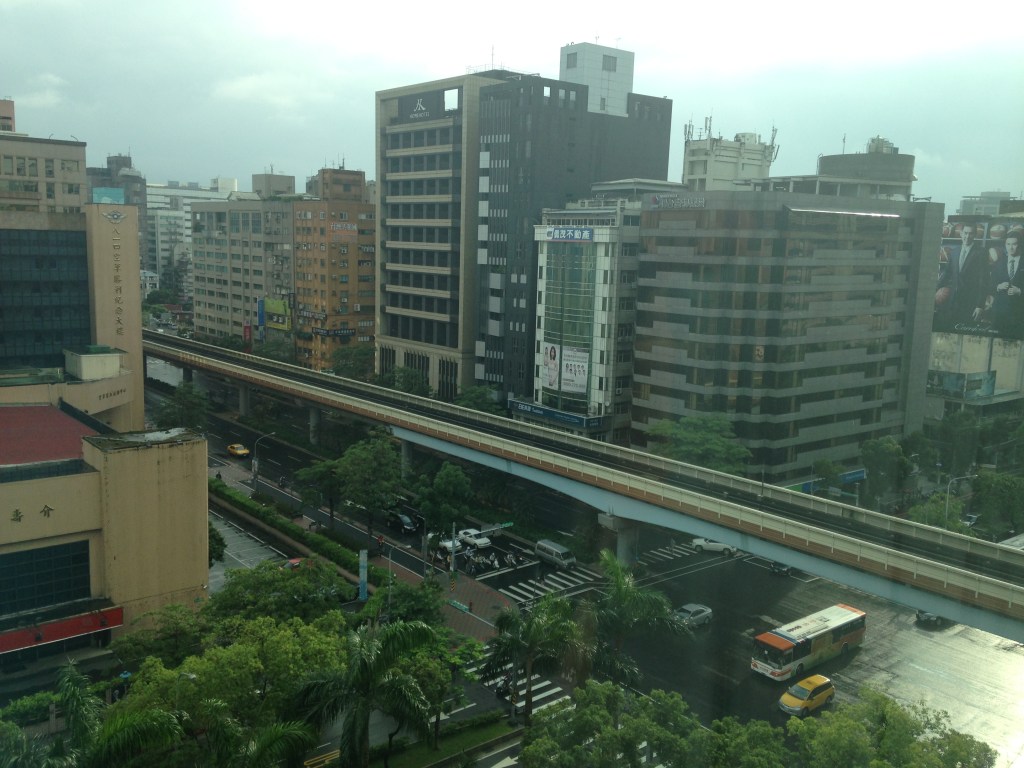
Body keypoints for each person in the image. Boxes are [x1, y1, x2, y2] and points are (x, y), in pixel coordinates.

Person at [936, 223, 990, 327]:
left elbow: (983, 280)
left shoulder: (981, 253)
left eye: (970, 233)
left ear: (974, 235)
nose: (967, 236)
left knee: (965, 330)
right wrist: (935, 290)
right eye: (965, 233)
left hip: (970, 302)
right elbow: (947, 273)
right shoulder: (955, 252)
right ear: (961, 234)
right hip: (952, 301)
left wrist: (980, 305)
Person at [989, 231, 1024, 338]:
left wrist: (1020, 291)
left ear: (1020, 245)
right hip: (1000, 312)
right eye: (1008, 244)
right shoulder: (999, 262)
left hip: (1019, 313)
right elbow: (990, 285)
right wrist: (998, 287)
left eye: (1014, 244)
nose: (1011, 247)